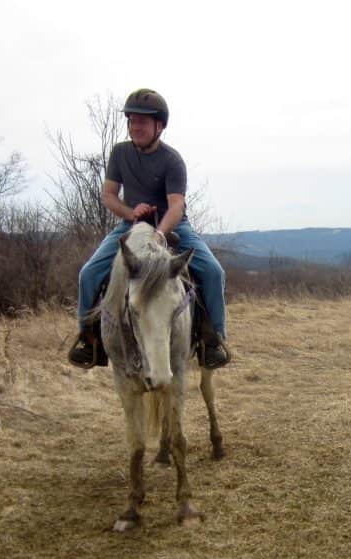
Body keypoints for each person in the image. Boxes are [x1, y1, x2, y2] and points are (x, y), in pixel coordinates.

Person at [68, 88, 230, 370]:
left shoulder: (172, 160)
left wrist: (159, 234)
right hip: (131, 227)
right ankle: (89, 340)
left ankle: (213, 340)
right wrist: (131, 213)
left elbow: (176, 205)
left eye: (143, 121)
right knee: (89, 274)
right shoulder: (119, 153)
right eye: (132, 121)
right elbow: (108, 195)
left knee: (214, 272)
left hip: (173, 225)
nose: (136, 126)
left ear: (160, 126)